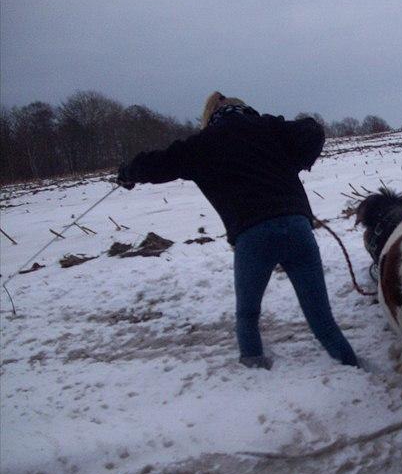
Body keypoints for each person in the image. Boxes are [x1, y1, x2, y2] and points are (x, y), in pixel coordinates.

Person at [117, 91, 358, 370]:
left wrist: (128, 172)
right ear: (244, 109)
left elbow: (161, 162)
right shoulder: (269, 128)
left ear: (209, 117)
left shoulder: (202, 144)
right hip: (296, 226)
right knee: (321, 316)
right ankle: (353, 368)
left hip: (253, 236)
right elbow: (311, 130)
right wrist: (293, 163)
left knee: (247, 314)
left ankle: (254, 371)